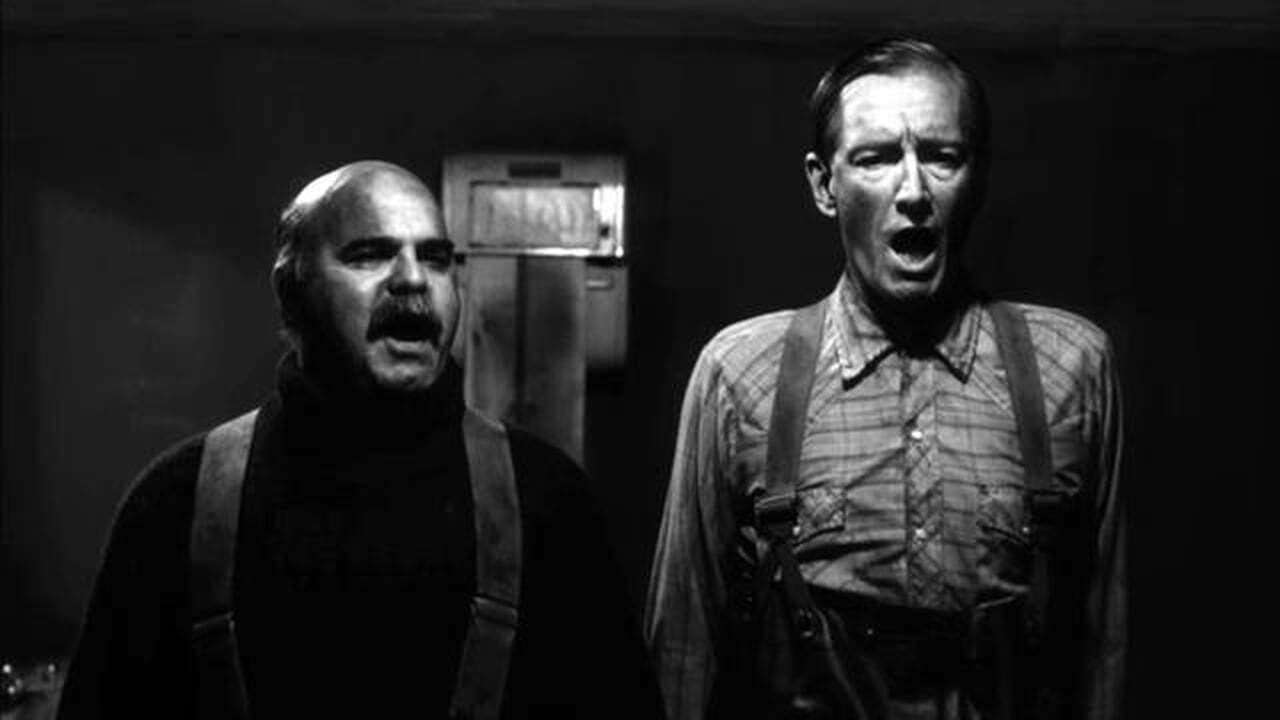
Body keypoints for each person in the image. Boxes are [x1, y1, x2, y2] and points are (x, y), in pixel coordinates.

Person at [59, 161, 662, 719]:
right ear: (292, 293)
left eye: (435, 258)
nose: (412, 280)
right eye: (369, 255)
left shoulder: (548, 504)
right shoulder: (176, 505)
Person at [645, 39, 1124, 720]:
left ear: (977, 177)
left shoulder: (1071, 366)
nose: (914, 191)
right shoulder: (741, 373)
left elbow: (1101, 652)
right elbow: (680, 654)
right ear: (824, 185)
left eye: (941, 156)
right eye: (875, 158)